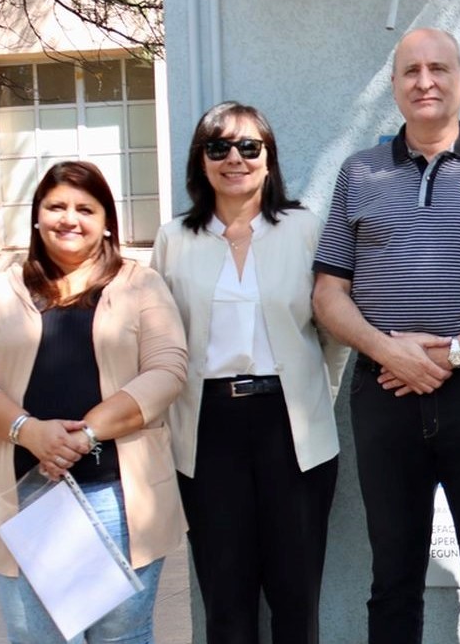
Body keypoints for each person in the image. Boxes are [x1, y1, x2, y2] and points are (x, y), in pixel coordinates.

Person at [311, 27, 460, 643]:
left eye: (438, 68)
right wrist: (390, 351)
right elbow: (327, 293)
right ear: (394, 87)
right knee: (393, 578)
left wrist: (457, 352)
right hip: (384, 393)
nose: (425, 81)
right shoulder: (358, 174)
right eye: (410, 71)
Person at [151, 101, 347, 644]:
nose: (234, 158)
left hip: (294, 428)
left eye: (248, 147)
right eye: (218, 147)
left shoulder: (304, 229)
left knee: (296, 597)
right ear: (201, 161)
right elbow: (159, 343)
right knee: (225, 600)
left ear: (268, 159)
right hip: (206, 431)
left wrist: (317, 399)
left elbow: (333, 333)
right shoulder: (174, 239)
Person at [0, 161, 188, 642]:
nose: (69, 218)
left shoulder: (141, 285)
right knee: (37, 637)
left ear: (107, 221)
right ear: (36, 217)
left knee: (121, 636)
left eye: (85, 209)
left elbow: (167, 371)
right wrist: (29, 431)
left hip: (118, 496)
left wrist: (85, 433)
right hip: (25, 497)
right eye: (56, 207)